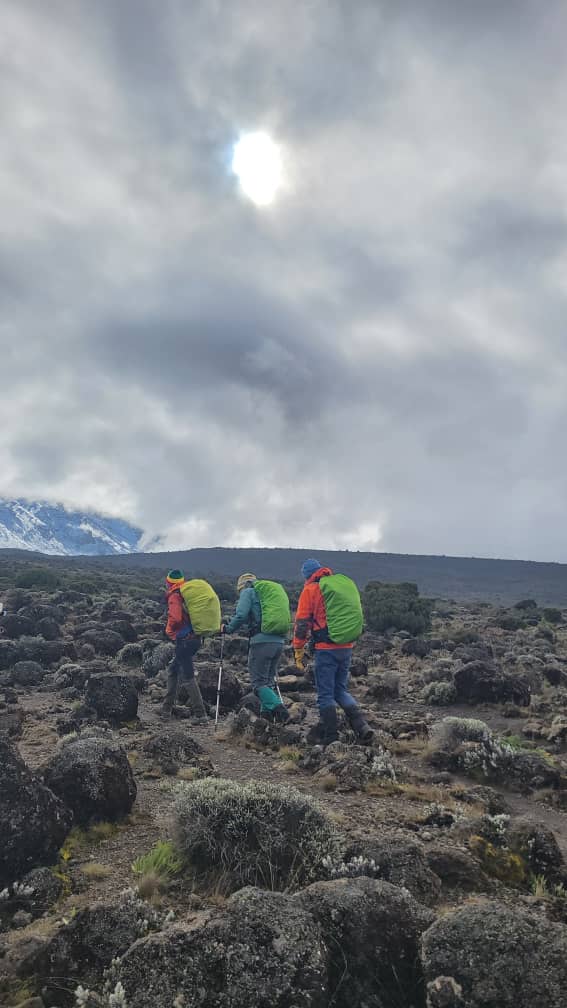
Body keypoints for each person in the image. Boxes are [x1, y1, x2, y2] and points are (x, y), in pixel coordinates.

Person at [293, 558, 373, 746]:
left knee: (325, 695)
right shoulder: (338, 584)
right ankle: (362, 726)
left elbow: (302, 623)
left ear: (306, 575)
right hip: (346, 646)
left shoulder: (311, 589)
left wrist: (298, 648)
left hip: (326, 648)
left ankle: (331, 739)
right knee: (340, 689)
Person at [222, 573, 289, 723]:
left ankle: (280, 709)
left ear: (242, 586)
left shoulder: (248, 592)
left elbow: (241, 615)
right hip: (278, 642)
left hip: (261, 642)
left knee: (258, 684)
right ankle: (266, 719)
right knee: (268, 682)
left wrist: (228, 628)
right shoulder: (266, 594)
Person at [161, 569, 208, 724]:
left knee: (187, 676)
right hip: (195, 638)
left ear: (169, 582)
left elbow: (175, 617)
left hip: (185, 640)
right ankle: (166, 709)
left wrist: (169, 629)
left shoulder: (175, 595)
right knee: (173, 670)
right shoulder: (187, 593)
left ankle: (200, 715)